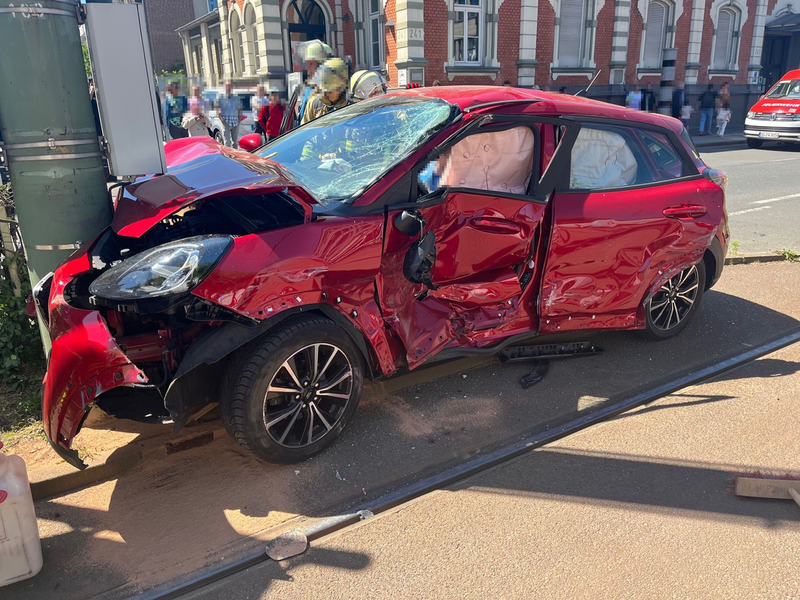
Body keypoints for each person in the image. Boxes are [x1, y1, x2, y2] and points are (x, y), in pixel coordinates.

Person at [293, 39, 333, 128]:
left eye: (311, 64)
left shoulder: (334, 92)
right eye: (307, 63)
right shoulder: (310, 89)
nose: (307, 67)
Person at [301, 57, 351, 125]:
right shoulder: (314, 105)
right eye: (324, 91)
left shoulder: (351, 106)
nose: (326, 95)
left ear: (342, 88)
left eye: (330, 91)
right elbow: (304, 132)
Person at [217, 80, 242, 147]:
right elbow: (217, 108)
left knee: (235, 142)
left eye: (230, 86)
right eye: (227, 86)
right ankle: (228, 156)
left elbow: (239, 109)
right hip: (226, 121)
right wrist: (220, 118)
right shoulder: (220, 97)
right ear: (224, 87)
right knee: (227, 143)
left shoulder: (236, 98)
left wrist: (239, 118)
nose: (229, 88)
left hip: (235, 121)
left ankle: (235, 156)